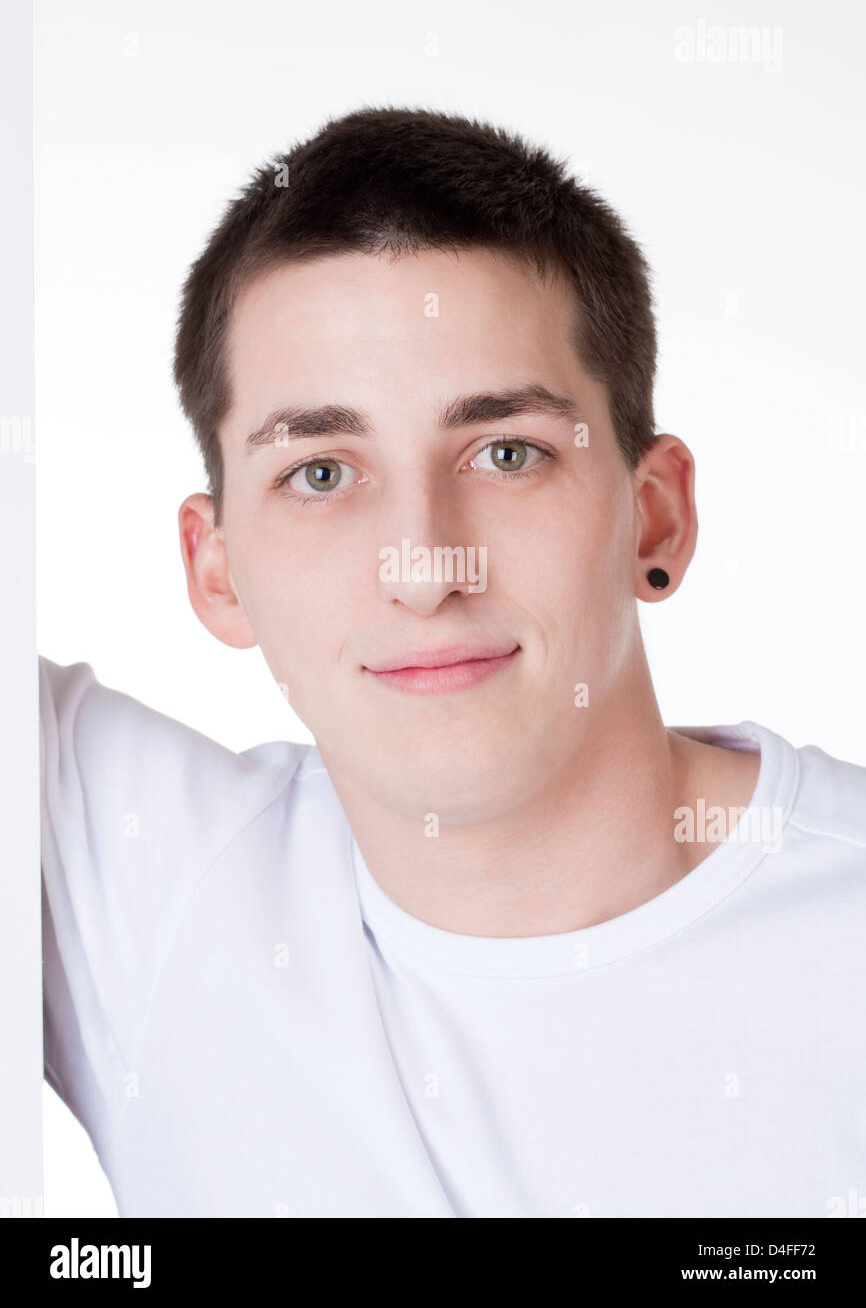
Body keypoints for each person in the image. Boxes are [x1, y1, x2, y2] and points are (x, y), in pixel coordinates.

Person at [40, 105, 866, 1218]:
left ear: (653, 517)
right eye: (321, 473)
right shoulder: (129, 875)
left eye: (506, 452)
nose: (424, 565)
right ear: (217, 570)